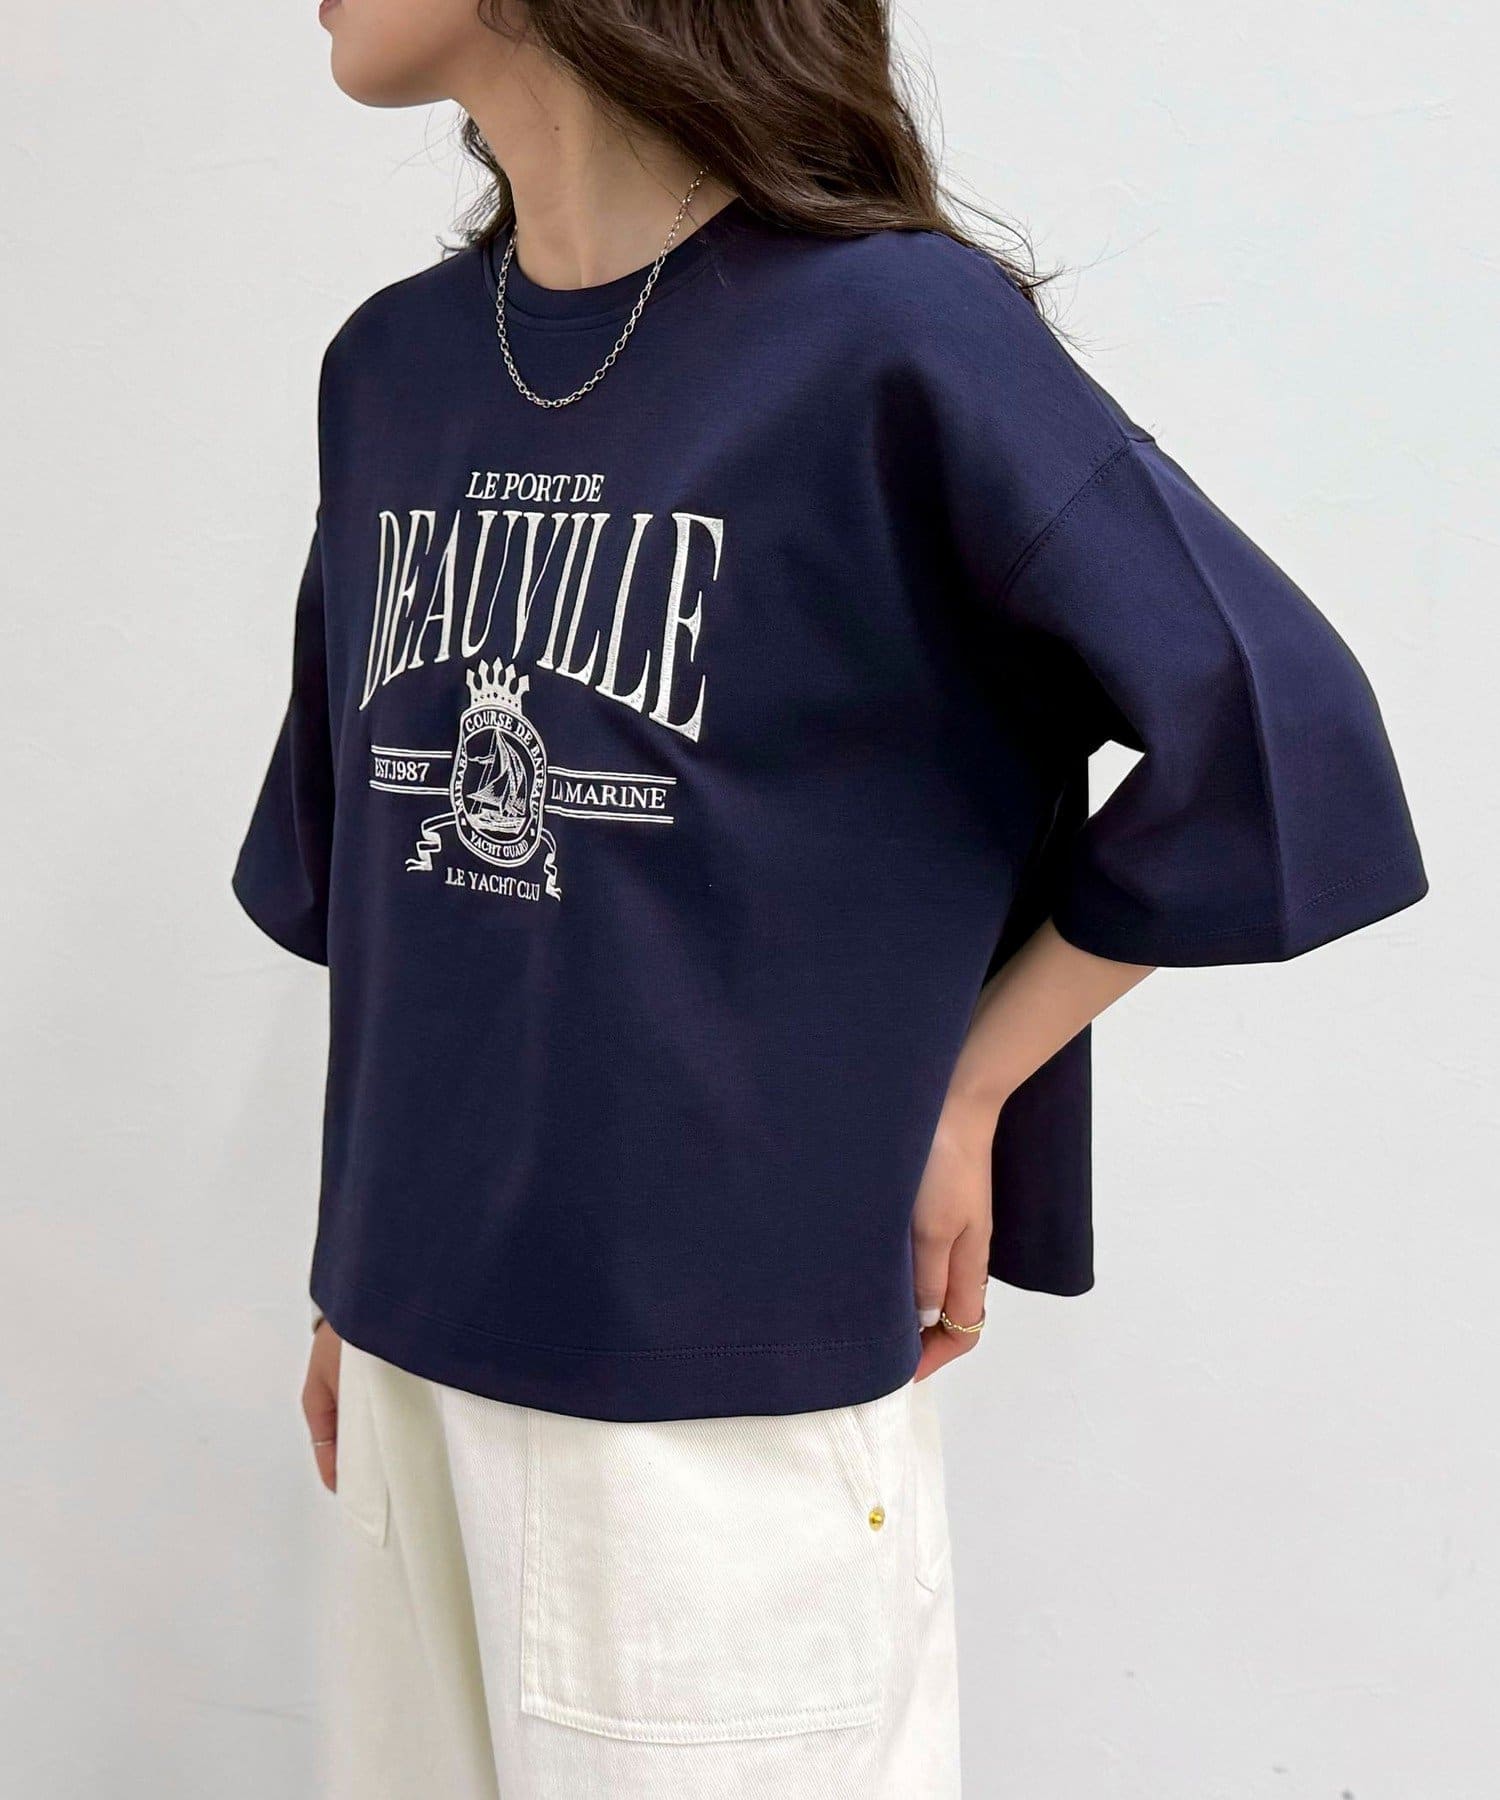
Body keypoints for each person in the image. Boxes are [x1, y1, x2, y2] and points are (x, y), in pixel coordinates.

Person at [232, 2, 1427, 1794]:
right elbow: (400, 891)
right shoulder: (391, 368)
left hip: (714, 1425)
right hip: (409, 1373)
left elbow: (1278, 733)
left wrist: (971, 1085)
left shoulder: (890, 338)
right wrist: (362, 1283)